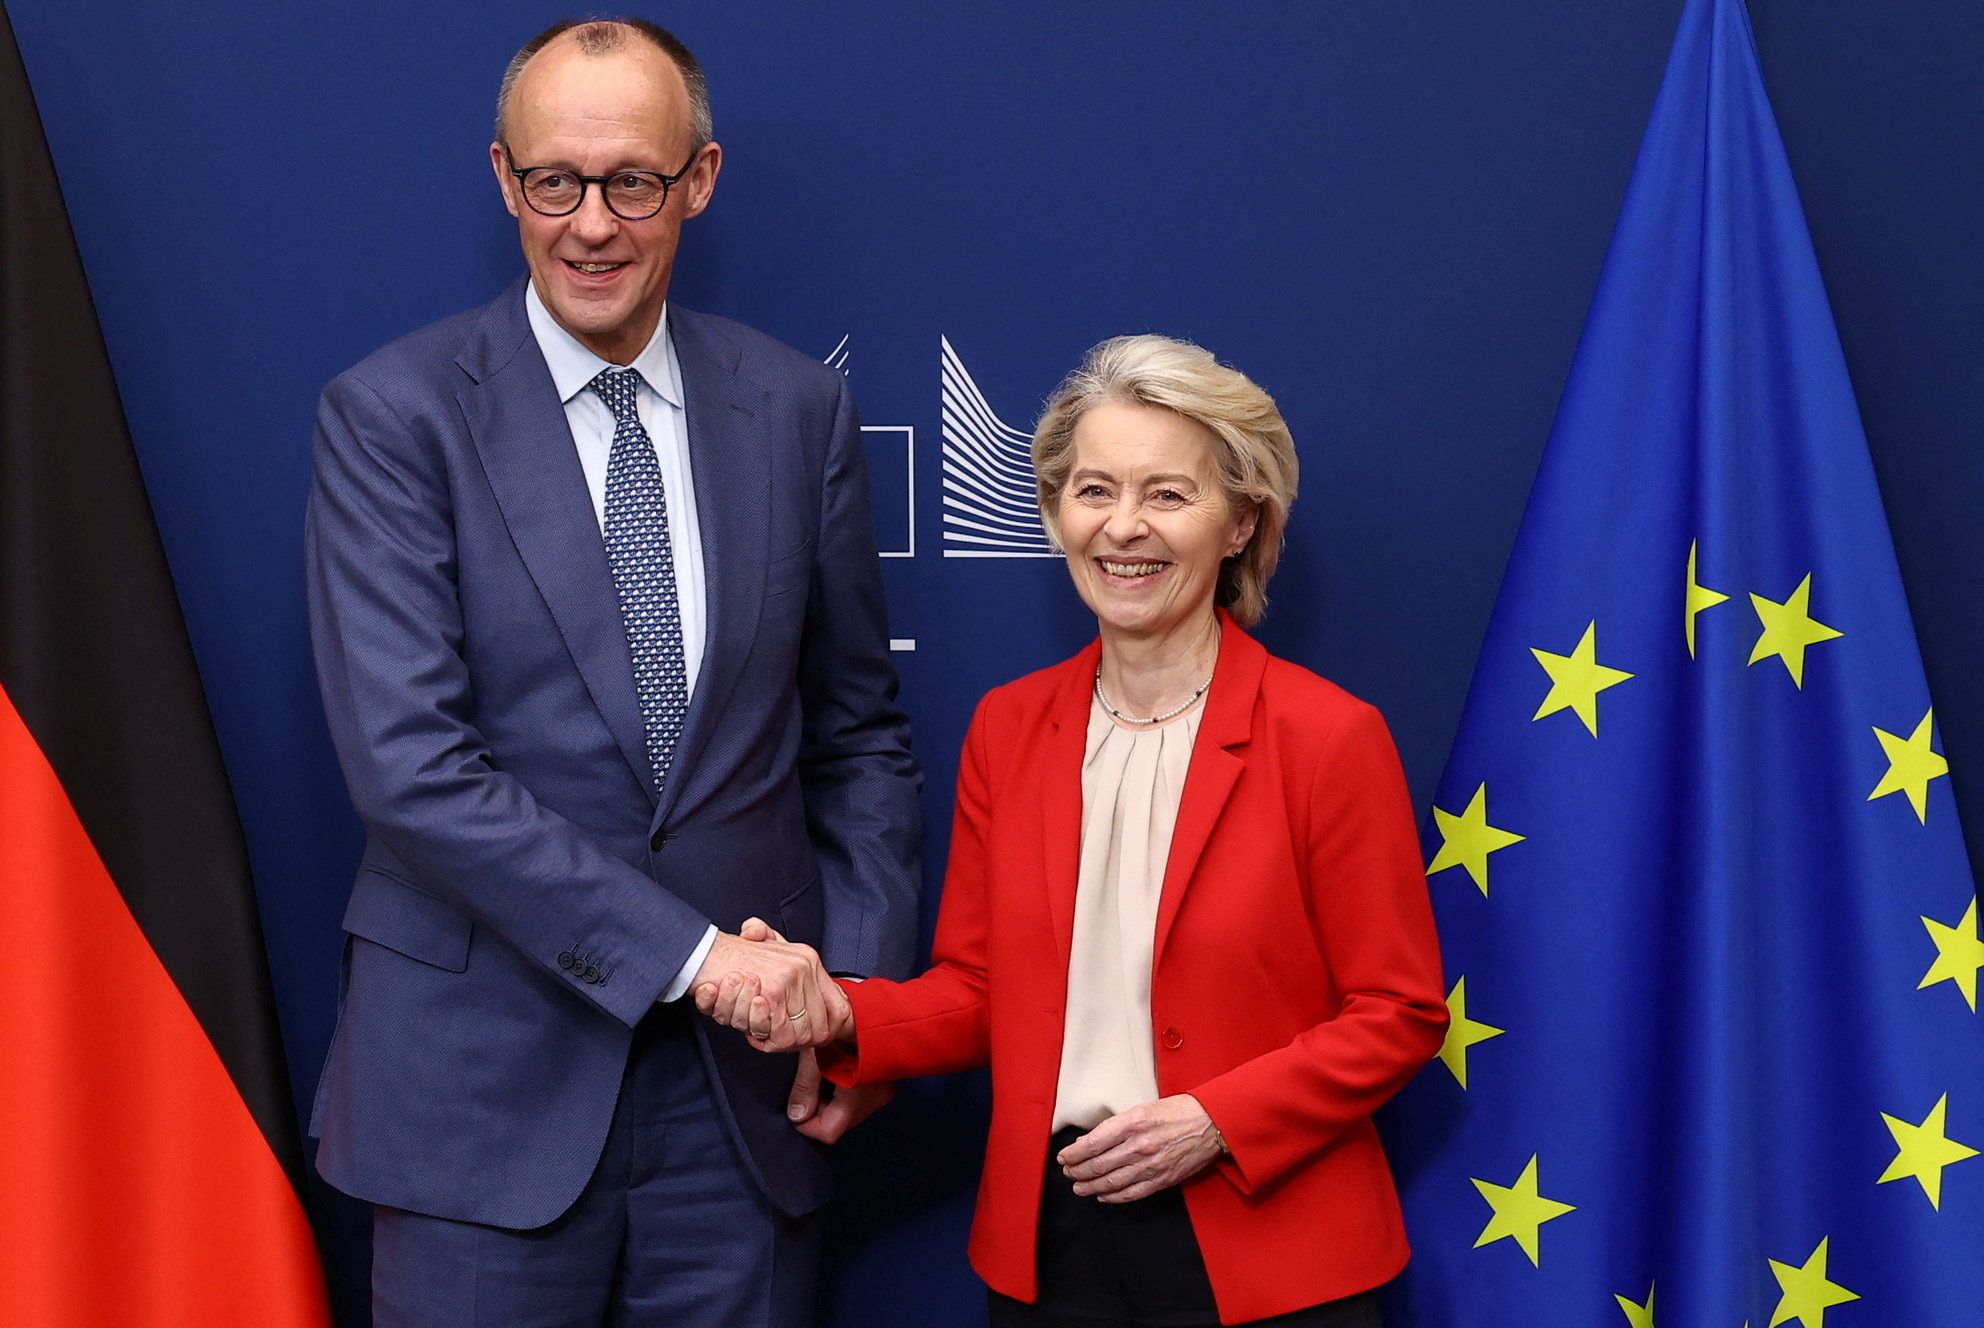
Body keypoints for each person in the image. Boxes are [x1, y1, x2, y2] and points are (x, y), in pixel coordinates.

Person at [303, 17, 919, 1326]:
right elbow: (412, 770)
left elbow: (857, 736)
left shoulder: (796, 409)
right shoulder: (393, 414)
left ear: (697, 180)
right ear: (503, 177)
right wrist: (701, 960)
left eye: (630, 181)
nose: (591, 223)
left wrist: (858, 997)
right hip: (483, 1101)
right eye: (553, 182)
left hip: (745, 1107)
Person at [702, 335, 1448, 1326]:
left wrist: (1214, 1119)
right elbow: (978, 991)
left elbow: (1397, 1009)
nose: (1124, 527)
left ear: (1239, 523)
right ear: (1055, 513)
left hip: (1271, 1247)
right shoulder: (1009, 727)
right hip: (1053, 1248)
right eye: (1093, 489)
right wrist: (831, 1008)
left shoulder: (1325, 735)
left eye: (1168, 494)